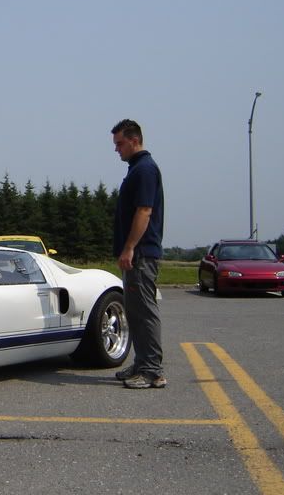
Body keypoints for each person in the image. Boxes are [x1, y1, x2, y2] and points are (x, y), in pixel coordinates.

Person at [110, 119, 166, 389]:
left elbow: (144, 211)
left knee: (144, 311)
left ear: (134, 140)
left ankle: (153, 371)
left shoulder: (144, 170)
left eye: (120, 143)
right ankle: (142, 363)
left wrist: (130, 247)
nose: (117, 149)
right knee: (134, 312)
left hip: (141, 254)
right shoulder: (136, 169)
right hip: (136, 254)